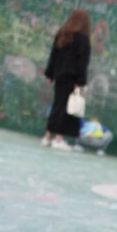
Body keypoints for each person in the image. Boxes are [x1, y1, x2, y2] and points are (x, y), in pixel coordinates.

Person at [42, 8, 91, 151]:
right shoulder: (83, 38)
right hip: (72, 78)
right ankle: (59, 139)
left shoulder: (62, 34)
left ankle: (47, 136)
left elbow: (54, 55)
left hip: (59, 76)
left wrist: (50, 74)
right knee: (66, 108)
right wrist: (81, 81)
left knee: (57, 105)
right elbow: (83, 62)